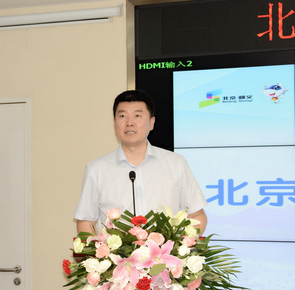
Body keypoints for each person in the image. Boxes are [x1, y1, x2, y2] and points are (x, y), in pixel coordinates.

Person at [74, 90, 208, 236]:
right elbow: (85, 220)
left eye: (137, 116)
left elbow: (197, 215)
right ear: (114, 123)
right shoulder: (96, 169)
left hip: (164, 251)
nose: (129, 123)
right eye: (122, 116)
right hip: (116, 251)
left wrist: (180, 245)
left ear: (151, 123)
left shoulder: (176, 163)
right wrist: (101, 249)